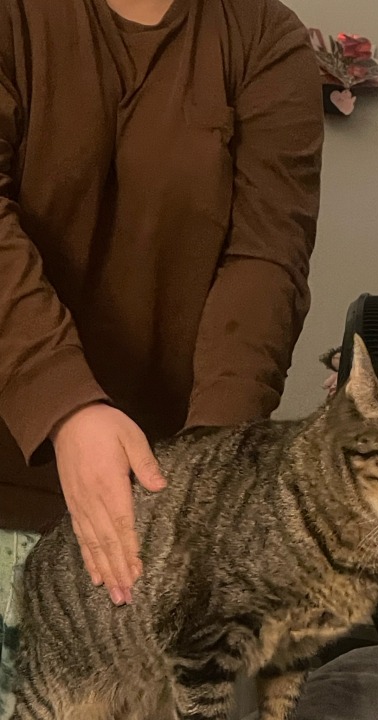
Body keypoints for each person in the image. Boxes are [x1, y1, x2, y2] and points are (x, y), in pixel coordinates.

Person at [0, 0, 323, 715]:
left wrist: (205, 477)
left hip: (162, 520)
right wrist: (64, 405)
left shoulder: (265, 39)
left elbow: (267, 260)